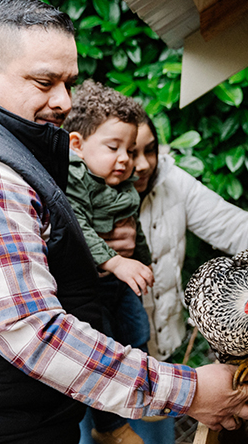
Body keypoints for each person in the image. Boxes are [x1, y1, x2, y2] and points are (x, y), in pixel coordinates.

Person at [0, 0, 248, 444]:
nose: (63, 101)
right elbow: (34, 333)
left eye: (68, 82)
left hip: (10, 415)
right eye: (43, 81)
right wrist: (186, 392)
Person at [97, 114, 248, 443]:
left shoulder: (171, 183)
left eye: (150, 150)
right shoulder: (79, 196)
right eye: (132, 152)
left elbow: (241, 231)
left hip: (159, 362)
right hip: (98, 364)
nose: (144, 164)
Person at [63, 80, 153, 444]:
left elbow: (136, 229)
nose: (126, 159)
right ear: (77, 145)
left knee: (137, 335)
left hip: (119, 284)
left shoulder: (123, 187)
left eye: (129, 150)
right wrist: (116, 262)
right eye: (113, 147)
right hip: (91, 287)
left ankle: (142, 395)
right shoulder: (76, 177)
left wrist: (142, 261)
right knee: (106, 348)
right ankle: (110, 426)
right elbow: (77, 225)